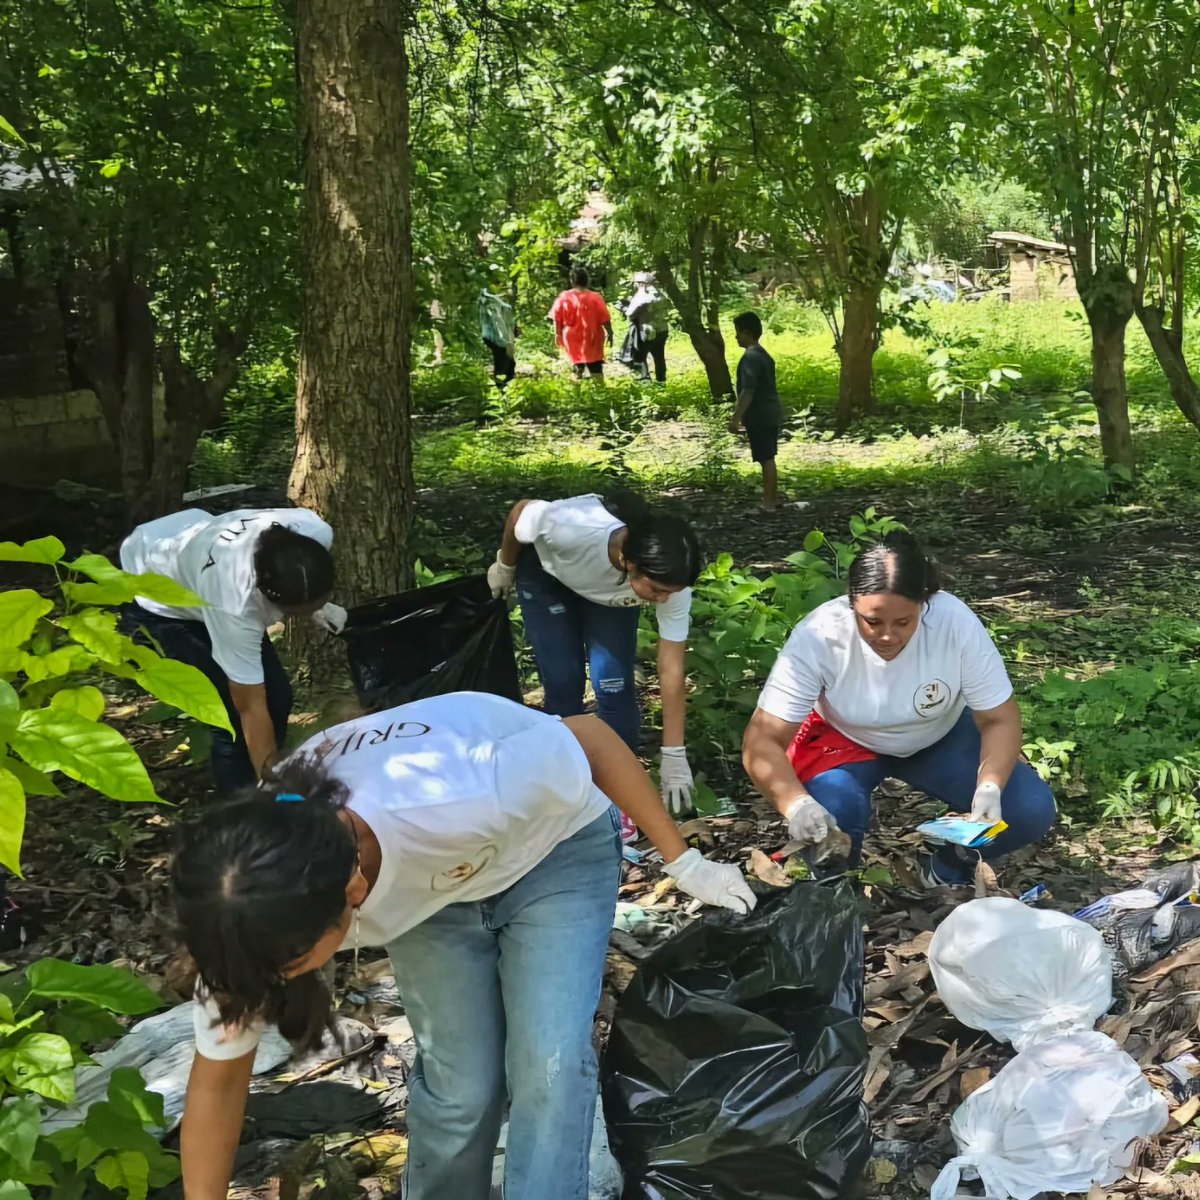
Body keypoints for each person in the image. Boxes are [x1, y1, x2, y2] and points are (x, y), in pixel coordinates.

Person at [174, 691, 755, 1200]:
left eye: (286, 968)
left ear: (353, 897)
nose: (274, 982)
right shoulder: (248, 902)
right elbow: (218, 1083)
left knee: (548, 1066)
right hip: (433, 886)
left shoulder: (464, 790)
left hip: (552, 851)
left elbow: (590, 736)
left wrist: (685, 862)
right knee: (461, 1088)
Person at [741, 531, 1056, 886]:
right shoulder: (819, 635)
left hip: (938, 734)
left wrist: (990, 786)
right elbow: (762, 741)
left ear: (924, 603)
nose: (887, 636)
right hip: (844, 738)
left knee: (1028, 809)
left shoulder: (953, 622)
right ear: (851, 603)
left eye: (903, 622)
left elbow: (999, 717)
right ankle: (837, 892)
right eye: (871, 622)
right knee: (832, 812)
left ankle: (950, 865)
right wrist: (795, 804)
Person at [486, 490, 702, 821]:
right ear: (630, 562)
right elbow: (521, 513)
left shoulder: (671, 585)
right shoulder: (571, 529)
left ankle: (617, 800)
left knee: (614, 686)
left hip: (611, 594)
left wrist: (674, 752)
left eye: (669, 593)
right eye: (656, 591)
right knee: (562, 682)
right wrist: (505, 564)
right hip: (548, 577)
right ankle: (563, 789)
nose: (662, 600)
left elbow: (671, 668)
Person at [119, 507, 346, 791]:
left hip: (185, 538)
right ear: (265, 594)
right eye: (296, 611)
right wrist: (275, 785)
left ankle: (265, 785)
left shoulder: (314, 531)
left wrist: (315, 606)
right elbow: (249, 706)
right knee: (230, 719)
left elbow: (299, 573)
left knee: (278, 698)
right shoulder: (234, 604)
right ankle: (243, 810)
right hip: (154, 586)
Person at [729, 311, 785, 512]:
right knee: (768, 456)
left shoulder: (751, 357)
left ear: (747, 333)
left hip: (760, 415)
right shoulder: (763, 354)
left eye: (738, 333)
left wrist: (736, 418)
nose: (736, 337)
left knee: (765, 457)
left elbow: (748, 390)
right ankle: (773, 498)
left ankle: (768, 503)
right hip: (770, 412)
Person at [550, 265, 613, 379]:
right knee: (595, 365)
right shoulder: (595, 297)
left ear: (572, 281)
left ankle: (577, 388)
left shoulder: (564, 297)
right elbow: (605, 319)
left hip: (572, 338)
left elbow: (557, 318)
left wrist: (557, 334)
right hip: (593, 336)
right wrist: (610, 333)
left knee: (576, 364)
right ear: (587, 280)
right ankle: (600, 391)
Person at [624, 270, 670, 382]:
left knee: (640, 357)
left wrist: (624, 308)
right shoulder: (660, 293)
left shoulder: (642, 294)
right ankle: (661, 381)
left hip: (647, 332)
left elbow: (631, 313)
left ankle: (645, 382)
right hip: (662, 330)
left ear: (641, 283)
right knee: (659, 358)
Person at [478, 280, 517, 388]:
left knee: (509, 363)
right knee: (503, 364)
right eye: (497, 282)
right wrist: (506, 342)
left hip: (495, 336)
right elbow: (497, 321)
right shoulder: (490, 301)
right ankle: (501, 390)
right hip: (496, 337)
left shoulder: (493, 299)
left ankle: (505, 388)